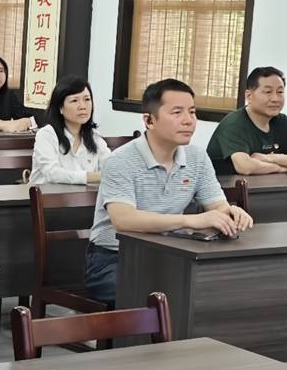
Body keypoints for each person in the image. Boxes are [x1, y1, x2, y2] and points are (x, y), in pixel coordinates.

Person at [84, 79, 254, 304]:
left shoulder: (197, 157)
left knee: (219, 290)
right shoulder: (120, 160)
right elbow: (124, 220)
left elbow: (216, 205)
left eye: (192, 112)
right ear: (149, 120)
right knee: (168, 297)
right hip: (115, 258)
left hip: (170, 254)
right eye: (177, 112)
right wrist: (190, 221)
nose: (188, 120)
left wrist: (230, 213)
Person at [207, 66, 287, 175]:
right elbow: (245, 167)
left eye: (280, 92)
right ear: (249, 96)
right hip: (226, 184)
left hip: (268, 184)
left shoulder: (282, 122)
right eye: (268, 92)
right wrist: (280, 168)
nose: (275, 99)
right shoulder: (234, 124)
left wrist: (269, 158)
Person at [30, 76, 110, 185]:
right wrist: (94, 177)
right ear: (60, 108)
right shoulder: (46, 134)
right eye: (74, 100)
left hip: (85, 196)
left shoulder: (94, 137)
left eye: (87, 99)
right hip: (48, 195)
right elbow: (53, 174)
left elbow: (111, 168)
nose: (82, 106)